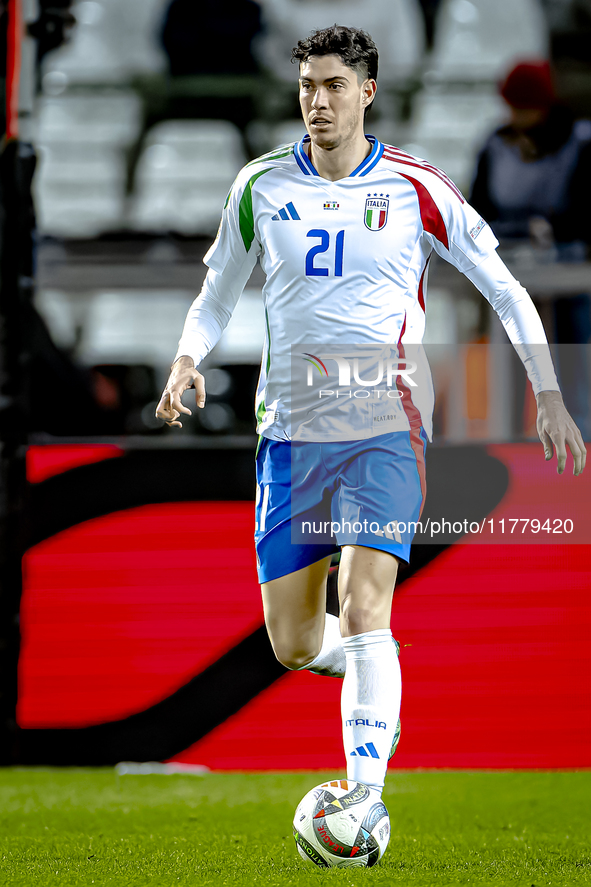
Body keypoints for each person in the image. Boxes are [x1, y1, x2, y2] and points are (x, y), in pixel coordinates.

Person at [156, 26, 586, 801]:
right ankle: (367, 659)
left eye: (331, 87)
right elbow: (215, 295)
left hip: (384, 420)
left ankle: (364, 798)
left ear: (366, 93)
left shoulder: (417, 186)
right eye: (306, 87)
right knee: (290, 644)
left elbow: (504, 287)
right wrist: (189, 357)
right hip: (288, 431)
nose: (316, 101)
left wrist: (547, 390)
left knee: (362, 601)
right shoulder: (258, 186)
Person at [470, 59, 591, 438]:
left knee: (573, 339)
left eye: (527, 108)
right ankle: (507, 429)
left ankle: (581, 427)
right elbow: (479, 205)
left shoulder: (580, 141)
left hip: (567, 260)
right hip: (512, 258)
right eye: (515, 108)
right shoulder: (495, 143)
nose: (520, 117)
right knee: (513, 343)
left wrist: (554, 228)